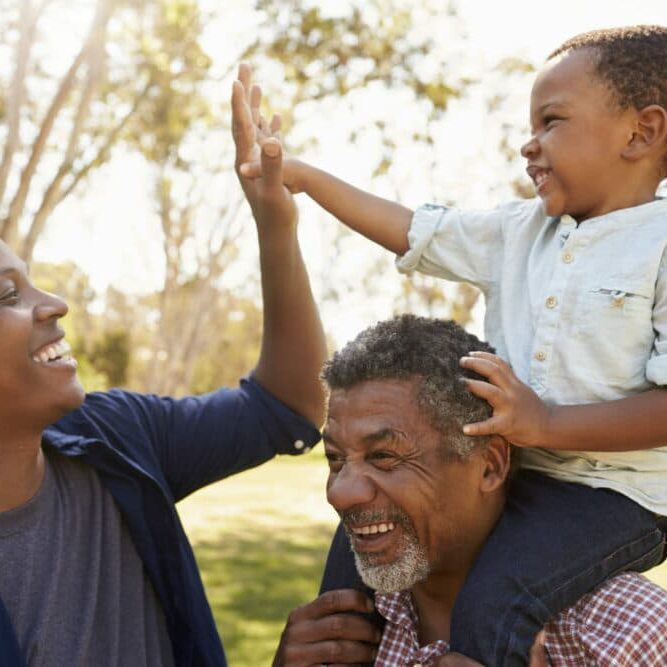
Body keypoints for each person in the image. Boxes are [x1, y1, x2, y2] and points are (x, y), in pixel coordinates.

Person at [239, 26, 667, 665]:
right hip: (518, 470)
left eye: (551, 121)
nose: (529, 143)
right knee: (352, 548)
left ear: (642, 132)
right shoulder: (519, 231)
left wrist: (546, 423)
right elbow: (413, 231)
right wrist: (298, 176)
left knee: (500, 597)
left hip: (617, 499)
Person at [0, 64, 327, 666]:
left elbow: (288, 405)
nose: (54, 304)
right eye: (6, 296)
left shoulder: (115, 436)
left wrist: (274, 225)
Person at [273, 315, 667, 667]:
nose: (341, 494)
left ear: (491, 466)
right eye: (336, 459)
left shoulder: (627, 634)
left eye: (383, 456)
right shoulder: (338, 630)